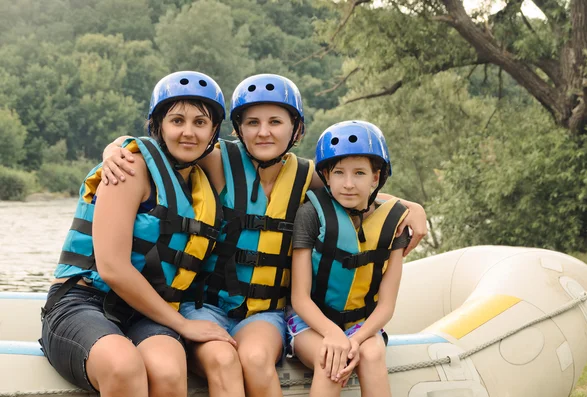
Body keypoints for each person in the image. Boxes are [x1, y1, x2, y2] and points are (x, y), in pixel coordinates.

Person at [101, 74, 427, 397]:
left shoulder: (307, 176)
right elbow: (161, 151)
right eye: (253, 122)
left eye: (275, 121)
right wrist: (114, 147)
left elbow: (352, 191)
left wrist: (411, 206)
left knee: (256, 360)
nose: (264, 132)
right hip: (203, 306)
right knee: (220, 358)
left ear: (295, 129)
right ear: (238, 129)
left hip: (264, 313)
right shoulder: (215, 161)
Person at [39, 71, 237, 397]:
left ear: (214, 131)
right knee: (124, 366)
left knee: (170, 371)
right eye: (177, 120)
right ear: (158, 125)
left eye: (200, 123)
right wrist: (185, 325)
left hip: (148, 311)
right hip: (83, 302)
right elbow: (113, 267)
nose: (188, 132)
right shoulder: (128, 166)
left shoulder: (203, 177)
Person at [287, 120, 408, 397]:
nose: (349, 184)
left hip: (362, 323)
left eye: (360, 173)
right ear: (327, 176)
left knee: (373, 354)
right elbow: (300, 298)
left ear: (375, 178)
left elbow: (386, 305)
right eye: (339, 173)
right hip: (311, 322)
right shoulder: (310, 215)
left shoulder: (396, 225)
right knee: (332, 359)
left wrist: (357, 339)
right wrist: (334, 335)